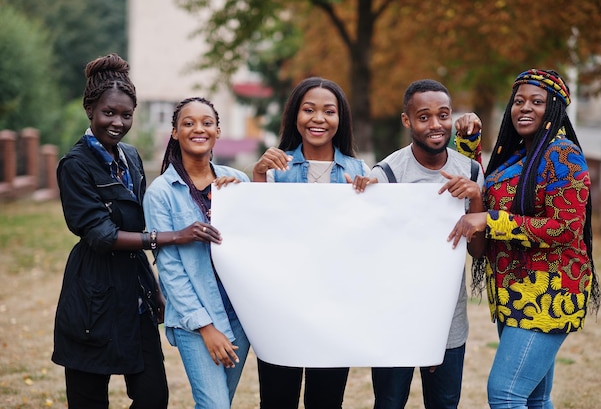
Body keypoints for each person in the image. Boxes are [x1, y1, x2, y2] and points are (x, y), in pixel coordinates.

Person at [52, 54, 221, 409]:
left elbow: (138, 221)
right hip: (92, 294)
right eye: (108, 113)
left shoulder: (130, 157)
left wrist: (154, 289)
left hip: (135, 292)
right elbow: (99, 235)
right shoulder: (75, 165)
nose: (117, 122)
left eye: (125, 115)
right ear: (90, 110)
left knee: (153, 396)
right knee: (88, 399)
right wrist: (173, 236)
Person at [449, 69, 601, 409]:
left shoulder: (562, 156)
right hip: (513, 294)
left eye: (537, 101)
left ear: (554, 109)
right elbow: (487, 196)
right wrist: (469, 145)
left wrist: (491, 221)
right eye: (518, 101)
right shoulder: (517, 155)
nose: (525, 108)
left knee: (505, 394)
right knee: (535, 397)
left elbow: (564, 228)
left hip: (550, 293)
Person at [251, 76, 374, 409]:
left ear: (340, 119)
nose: (318, 118)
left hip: (334, 308)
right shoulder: (276, 169)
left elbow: (368, 243)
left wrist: (368, 199)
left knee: (326, 401)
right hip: (281, 306)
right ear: (295, 116)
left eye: (329, 111)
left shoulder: (359, 171)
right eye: (309, 110)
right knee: (277, 399)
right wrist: (259, 178)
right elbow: (258, 233)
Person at [368, 79, 484, 409]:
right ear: (407, 121)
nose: (435, 124)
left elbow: (478, 252)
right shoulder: (388, 173)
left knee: (444, 404)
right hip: (397, 317)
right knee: (389, 403)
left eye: (443, 115)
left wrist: (476, 199)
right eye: (424, 116)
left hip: (448, 316)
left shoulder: (471, 171)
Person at [143, 97, 250, 408]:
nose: (198, 128)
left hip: (238, 315)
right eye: (188, 123)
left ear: (218, 130)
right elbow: (170, 270)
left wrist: (240, 198)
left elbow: (253, 243)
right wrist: (206, 328)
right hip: (195, 319)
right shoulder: (161, 193)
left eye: (206, 122)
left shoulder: (236, 180)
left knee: (219, 404)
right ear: (175, 133)